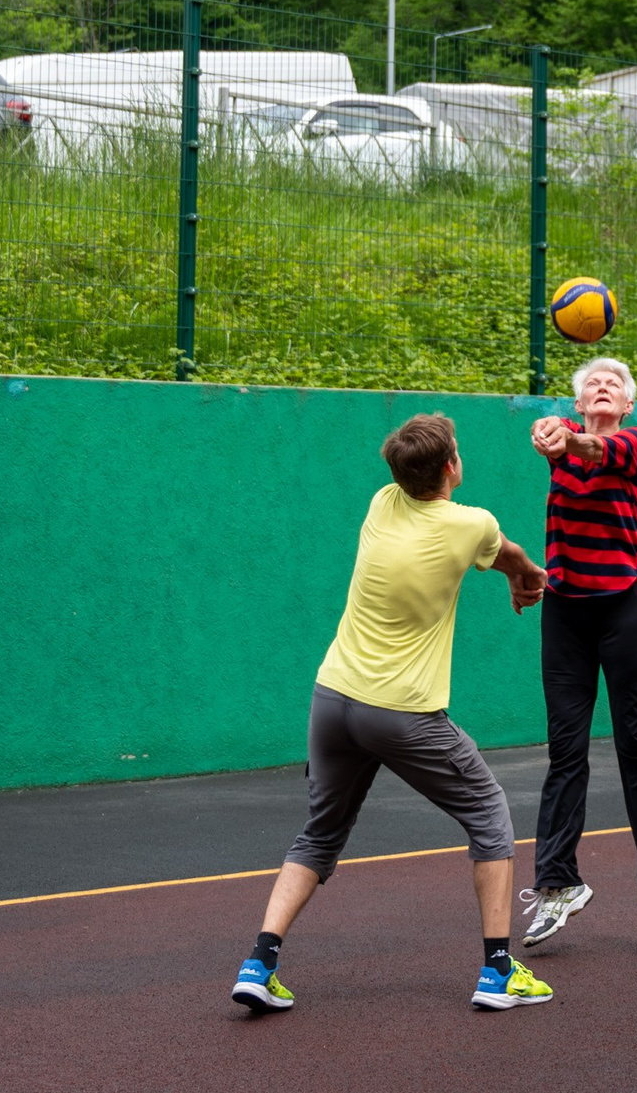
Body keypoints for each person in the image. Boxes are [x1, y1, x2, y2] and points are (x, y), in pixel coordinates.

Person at [231, 412, 555, 1015]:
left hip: (332, 700)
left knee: (320, 834)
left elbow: (495, 550)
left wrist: (517, 571)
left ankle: (259, 960)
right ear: (452, 466)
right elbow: (508, 554)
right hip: (403, 713)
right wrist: (527, 577)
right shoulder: (472, 525)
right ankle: (497, 971)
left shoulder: (383, 502)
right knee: (489, 813)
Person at [521, 357, 637, 950]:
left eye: (614, 384)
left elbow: (591, 452)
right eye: (593, 383)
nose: (603, 387)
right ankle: (557, 885)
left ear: (628, 406)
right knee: (565, 753)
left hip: (625, 609)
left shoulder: (635, 444)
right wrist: (545, 434)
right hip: (565, 612)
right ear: (579, 402)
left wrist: (564, 439)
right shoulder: (561, 436)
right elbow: (551, 438)